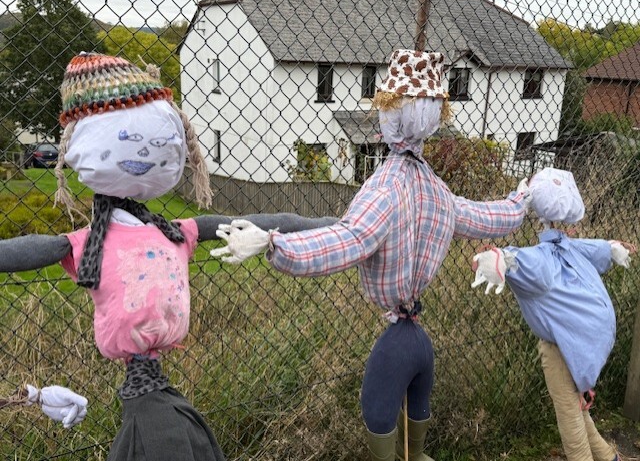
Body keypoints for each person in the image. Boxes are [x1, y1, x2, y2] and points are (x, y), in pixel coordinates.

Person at [0, 52, 337, 461]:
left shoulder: (177, 232)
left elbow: (250, 221)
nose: (148, 152)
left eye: (160, 144)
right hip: (150, 393)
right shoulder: (89, 242)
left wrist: (324, 225)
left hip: (152, 391)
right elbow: (28, 251)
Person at [211, 49, 532, 461]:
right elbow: (485, 217)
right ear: (435, 117)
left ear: (389, 113)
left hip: (397, 342)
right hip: (421, 340)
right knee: (417, 409)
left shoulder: (383, 191)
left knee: (377, 411)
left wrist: (274, 244)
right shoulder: (438, 191)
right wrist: (520, 202)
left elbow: (346, 241)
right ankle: (417, 454)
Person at [471, 167, 633, 461]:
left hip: (562, 349)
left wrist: (499, 259)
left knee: (570, 417)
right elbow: (595, 250)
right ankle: (611, 458)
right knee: (579, 409)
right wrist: (611, 248)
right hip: (586, 344)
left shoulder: (550, 258)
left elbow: (523, 261)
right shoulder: (569, 251)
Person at [0, 384, 87, 429]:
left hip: (75, 408)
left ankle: (74, 410)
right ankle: (74, 411)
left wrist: (77, 402)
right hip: (72, 410)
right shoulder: (44, 408)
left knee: (69, 414)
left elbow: (66, 395)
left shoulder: (48, 393)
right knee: (66, 415)